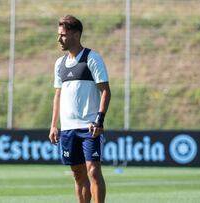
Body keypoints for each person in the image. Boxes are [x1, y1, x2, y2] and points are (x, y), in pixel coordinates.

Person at [49, 15, 111, 203]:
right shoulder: (59, 64)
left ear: (76, 35)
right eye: (59, 35)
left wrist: (99, 120)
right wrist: (53, 125)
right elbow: (58, 95)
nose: (59, 39)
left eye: (63, 35)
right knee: (77, 173)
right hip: (68, 129)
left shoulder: (92, 58)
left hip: (89, 127)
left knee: (93, 169)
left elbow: (106, 92)